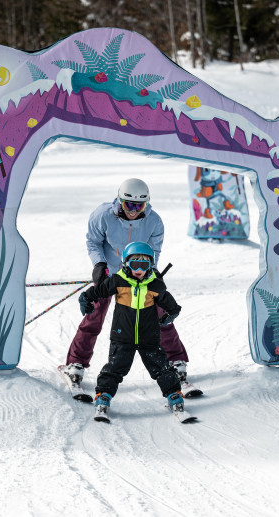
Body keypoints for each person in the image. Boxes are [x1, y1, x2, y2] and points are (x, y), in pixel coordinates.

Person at [62, 178, 201, 397]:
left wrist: (152, 274)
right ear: (119, 200)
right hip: (111, 275)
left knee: (159, 315)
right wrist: (99, 265)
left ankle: (176, 362)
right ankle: (76, 363)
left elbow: (154, 252)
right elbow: (93, 242)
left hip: (139, 275)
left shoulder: (154, 221)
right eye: (129, 205)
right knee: (94, 315)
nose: (134, 211)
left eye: (140, 206)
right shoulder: (103, 215)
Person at [79, 241, 187, 422]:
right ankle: (103, 396)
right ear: (126, 264)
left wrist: (171, 315)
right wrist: (85, 299)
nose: (139, 269)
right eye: (134, 264)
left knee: (162, 368)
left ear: (150, 266)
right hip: (122, 337)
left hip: (149, 337)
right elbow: (97, 291)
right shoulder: (118, 281)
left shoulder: (155, 285)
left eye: (144, 265)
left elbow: (172, 305)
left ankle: (173, 395)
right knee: (114, 368)